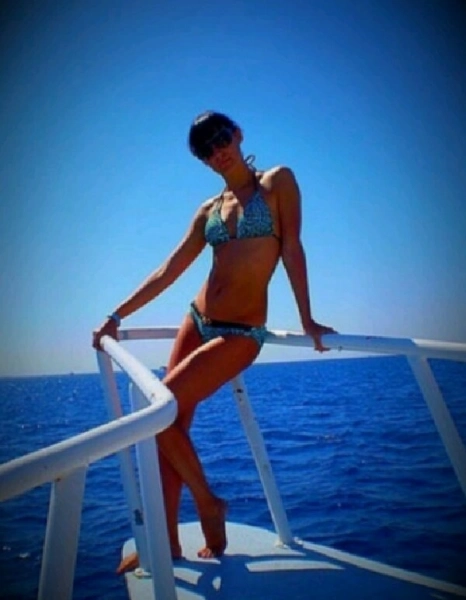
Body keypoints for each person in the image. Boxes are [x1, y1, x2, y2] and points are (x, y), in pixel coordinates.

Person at [92, 110, 336, 571]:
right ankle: (166, 544)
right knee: (165, 425)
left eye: (220, 139)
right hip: (197, 319)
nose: (216, 151)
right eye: (205, 150)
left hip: (241, 332)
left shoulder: (276, 183)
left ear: (238, 135)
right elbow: (168, 270)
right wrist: (115, 316)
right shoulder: (208, 210)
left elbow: (291, 248)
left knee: (160, 410)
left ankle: (207, 503)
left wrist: (307, 319)